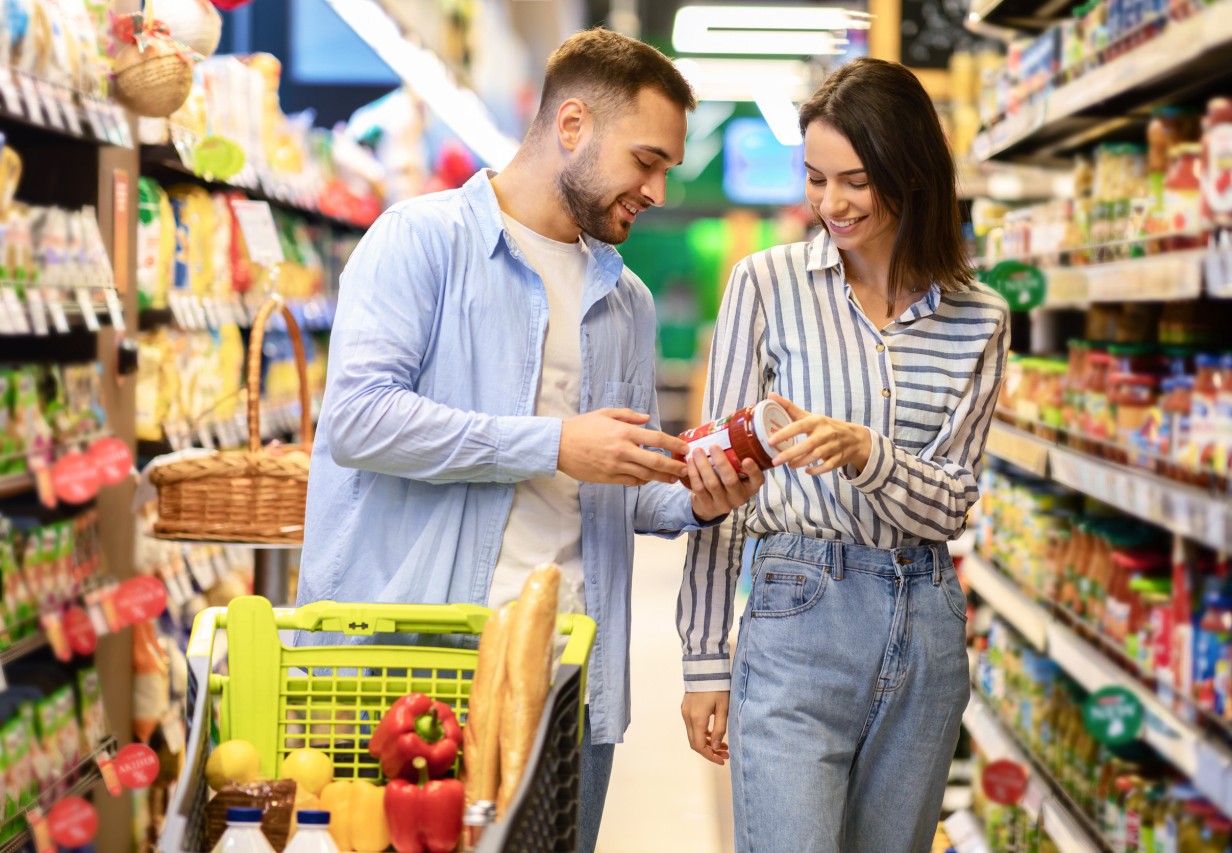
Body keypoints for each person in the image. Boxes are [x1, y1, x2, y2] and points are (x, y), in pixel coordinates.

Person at [296, 28, 765, 852]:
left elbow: (608, 485)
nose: (657, 188)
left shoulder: (629, 303)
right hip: (419, 664)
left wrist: (694, 497)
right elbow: (359, 420)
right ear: (573, 125)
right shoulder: (420, 240)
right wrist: (549, 442)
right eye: (647, 159)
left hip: (570, 675)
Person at [678, 57, 1010, 852]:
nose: (830, 203)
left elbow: (952, 503)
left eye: (855, 180)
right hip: (797, 610)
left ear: (910, 173)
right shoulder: (766, 285)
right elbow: (721, 479)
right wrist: (703, 658)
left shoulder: (981, 318)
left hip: (926, 620)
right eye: (816, 177)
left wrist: (868, 453)